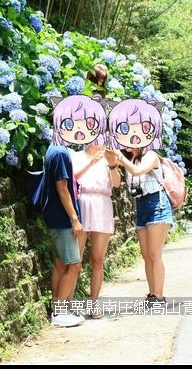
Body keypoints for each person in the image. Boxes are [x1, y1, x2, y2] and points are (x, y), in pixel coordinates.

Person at [106, 98, 172, 304]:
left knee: (154, 254)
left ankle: (159, 296)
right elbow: (116, 184)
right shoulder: (129, 158)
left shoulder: (151, 156)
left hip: (157, 205)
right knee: (145, 254)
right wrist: (113, 165)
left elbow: (136, 170)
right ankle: (152, 293)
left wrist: (121, 159)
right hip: (141, 205)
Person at [71, 142, 121, 318]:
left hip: (102, 204)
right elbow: (72, 178)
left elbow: (116, 184)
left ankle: (94, 303)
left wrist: (112, 163)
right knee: (75, 259)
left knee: (98, 259)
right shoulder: (76, 156)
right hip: (82, 202)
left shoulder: (109, 157)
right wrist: (91, 162)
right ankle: (69, 302)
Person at [42, 145, 86, 328]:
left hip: (56, 216)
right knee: (74, 265)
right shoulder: (60, 153)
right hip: (62, 218)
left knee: (61, 264)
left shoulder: (54, 149)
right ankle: (59, 313)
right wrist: (74, 219)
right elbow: (62, 188)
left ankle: (59, 308)